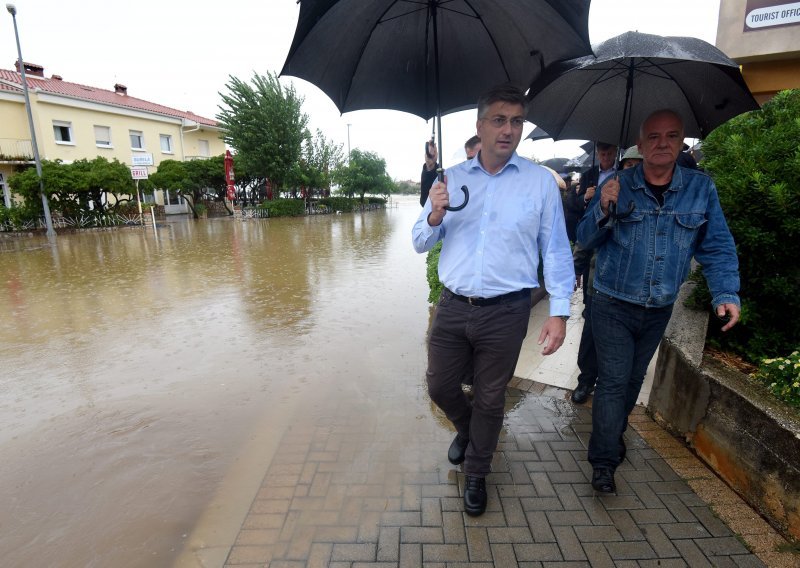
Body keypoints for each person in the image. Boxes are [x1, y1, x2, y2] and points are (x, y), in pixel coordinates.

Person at [412, 84, 574, 516]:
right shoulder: (451, 178)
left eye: (516, 121)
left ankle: (477, 471)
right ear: (480, 125)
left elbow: (556, 249)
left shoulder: (540, 184)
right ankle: (467, 430)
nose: (508, 129)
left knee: (489, 397)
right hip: (452, 306)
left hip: (506, 311)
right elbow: (418, 241)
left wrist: (559, 311)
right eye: (499, 120)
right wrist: (434, 214)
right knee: (440, 385)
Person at [576, 109, 740, 494]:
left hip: (658, 306)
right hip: (611, 302)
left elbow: (716, 245)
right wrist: (603, 207)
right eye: (653, 136)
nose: (662, 143)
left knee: (634, 379)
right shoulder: (618, 184)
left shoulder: (701, 189)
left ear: (682, 141)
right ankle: (603, 460)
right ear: (641, 143)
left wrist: (726, 292)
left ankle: (614, 431)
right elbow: (584, 238)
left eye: (670, 135)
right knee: (615, 381)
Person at [571, 145, 642, 405]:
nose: (632, 171)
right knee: (591, 333)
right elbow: (585, 239)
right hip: (597, 283)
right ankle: (586, 379)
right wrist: (576, 268)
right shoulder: (607, 191)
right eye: (628, 165)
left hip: (633, 290)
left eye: (638, 166)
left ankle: (608, 384)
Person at [420, 136, 482, 207]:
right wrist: (431, 165)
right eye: (470, 159)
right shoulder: (455, 178)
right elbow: (426, 203)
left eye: (480, 157)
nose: (475, 162)